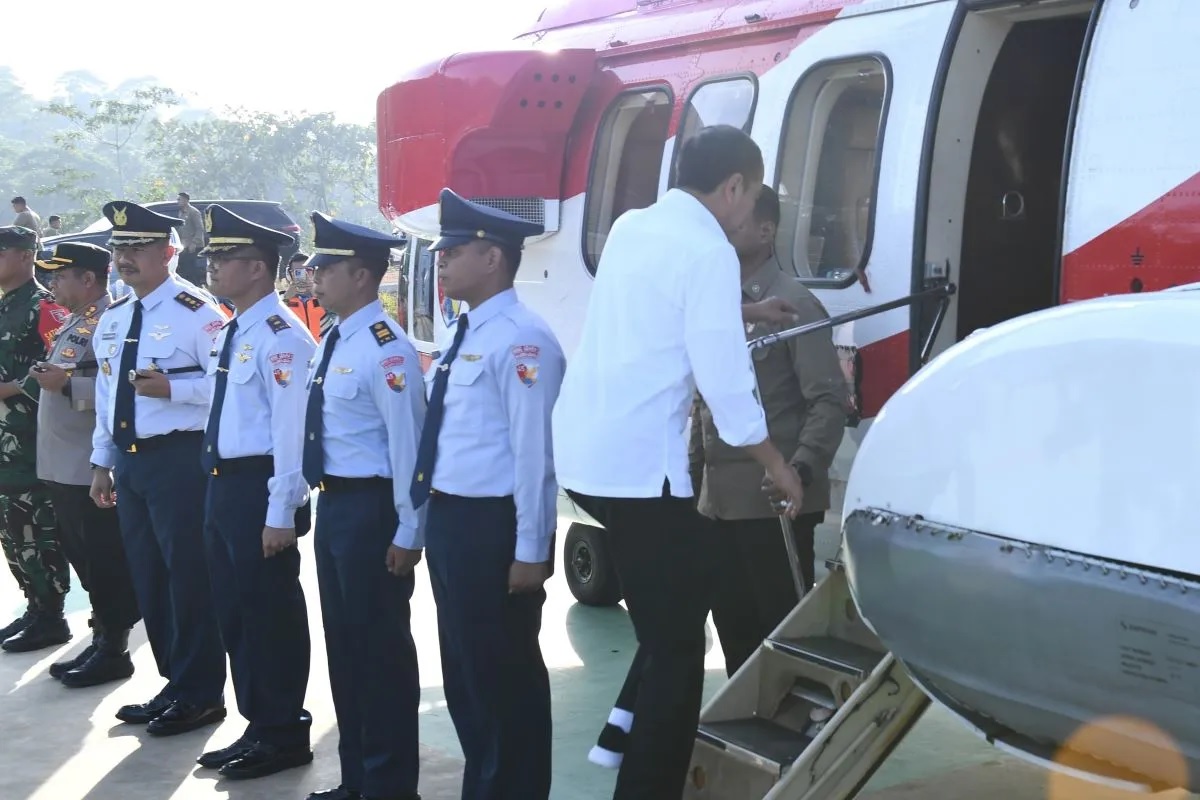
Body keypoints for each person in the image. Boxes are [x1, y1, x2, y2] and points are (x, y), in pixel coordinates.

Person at [551, 125, 806, 800]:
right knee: (677, 648)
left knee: (688, 593)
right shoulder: (709, 251)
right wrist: (776, 463)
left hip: (587, 458)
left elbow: (660, 307)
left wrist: (745, 309)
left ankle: (618, 743)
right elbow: (725, 386)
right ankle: (643, 785)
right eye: (749, 198)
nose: (749, 212)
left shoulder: (636, 227)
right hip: (643, 473)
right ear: (733, 187)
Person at [407, 189, 561, 800]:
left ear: (493, 257)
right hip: (452, 521)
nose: (440, 262)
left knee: (504, 677)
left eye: (453, 251)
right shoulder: (464, 332)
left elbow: (535, 457)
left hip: (493, 526)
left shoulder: (522, 340)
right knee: (467, 676)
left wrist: (531, 548)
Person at [690, 185, 848, 677]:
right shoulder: (713, 305)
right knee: (736, 633)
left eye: (734, 224)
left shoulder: (794, 304)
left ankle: (794, 737)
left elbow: (828, 401)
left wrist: (799, 468)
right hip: (717, 503)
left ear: (766, 229)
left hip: (774, 502)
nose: (723, 231)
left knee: (783, 633)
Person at [89, 200, 227, 736]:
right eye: (118, 248)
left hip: (179, 460)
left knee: (187, 576)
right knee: (150, 576)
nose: (125, 258)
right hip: (131, 461)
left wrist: (175, 387)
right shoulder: (117, 316)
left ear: (168, 252)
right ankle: (176, 682)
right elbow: (107, 395)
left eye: (137, 247)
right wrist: (103, 461)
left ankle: (201, 691)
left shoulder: (199, 312)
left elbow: (228, 386)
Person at [301, 212, 423, 800]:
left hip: (375, 512)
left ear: (363, 274)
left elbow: (408, 447)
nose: (314, 274)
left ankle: (391, 786)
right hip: (337, 509)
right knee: (346, 649)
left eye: (326, 266)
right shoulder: (336, 336)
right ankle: (358, 779)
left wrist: (410, 529)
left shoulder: (386, 349)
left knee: (380, 654)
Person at [192, 204, 316, 778]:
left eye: (225, 258)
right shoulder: (233, 328)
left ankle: (285, 731)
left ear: (260, 269)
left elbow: (289, 433)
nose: (212, 266)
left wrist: (280, 511)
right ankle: (259, 723)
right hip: (223, 484)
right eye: (212, 256)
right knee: (236, 611)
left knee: (270, 613)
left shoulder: (281, 336)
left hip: (259, 488)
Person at [32, 241, 141, 686]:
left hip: (86, 465)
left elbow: (117, 390)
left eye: (60, 275)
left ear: (89, 279)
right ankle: (100, 640)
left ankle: (113, 647)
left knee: (104, 560)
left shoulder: (107, 324)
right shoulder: (76, 322)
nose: (53, 283)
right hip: (62, 463)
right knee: (84, 558)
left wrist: (64, 386)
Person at [0, 225, 72, 653]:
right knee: (10, 529)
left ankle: (52, 612)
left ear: (26, 256)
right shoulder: (6, 305)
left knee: (35, 525)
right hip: (5, 443)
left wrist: (11, 388)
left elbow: (63, 366)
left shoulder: (46, 306)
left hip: (29, 439)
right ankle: (34, 605)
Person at [282, 252, 330, 341]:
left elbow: (336, 319)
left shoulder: (328, 297)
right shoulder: (280, 300)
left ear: (314, 272)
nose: (304, 276)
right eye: (298, 272)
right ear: (290, 275)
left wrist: (316, 293)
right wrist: (285, 300)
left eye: (308, 270)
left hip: (321, 351)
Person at [176, 192, 207, 286]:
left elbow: (200, 228)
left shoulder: (194, 212)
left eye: (179, 199)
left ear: (186, 200)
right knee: (185, 268)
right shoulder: (181, 212)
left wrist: (194, 243)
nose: (177, 201)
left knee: (191, 269)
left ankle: (196, 286)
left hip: (193, 246)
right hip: (184, 245)